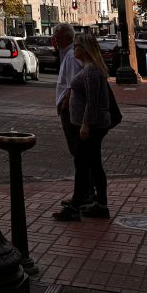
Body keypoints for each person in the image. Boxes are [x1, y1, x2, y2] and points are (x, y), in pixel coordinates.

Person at [53, 33, 112, 221]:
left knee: (82, 164)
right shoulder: (90, 69)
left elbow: (92, 102)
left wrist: (85, 125)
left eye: (77, 46)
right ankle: (100, 204)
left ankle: (75, 206)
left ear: (84, 50)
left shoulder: (91, 71)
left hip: (90, 126)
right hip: (89, 124)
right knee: (93, 164)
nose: (74, 49)